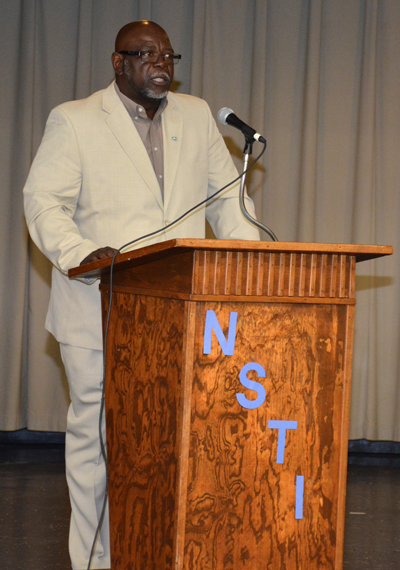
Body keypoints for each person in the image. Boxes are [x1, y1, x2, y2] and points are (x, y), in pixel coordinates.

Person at [24, 20, 260, 570]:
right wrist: (79, 252)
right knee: (100, 439)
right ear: (118, 62)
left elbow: (227, 201)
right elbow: (43, 202)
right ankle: (93, 561)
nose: (161, 65)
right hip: (99, 303)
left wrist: (250, 260)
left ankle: (163, 551)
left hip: (181, 308)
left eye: (168, 56)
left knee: (173, 438)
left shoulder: (196, 115)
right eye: (146, 55)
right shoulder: (76, 119)